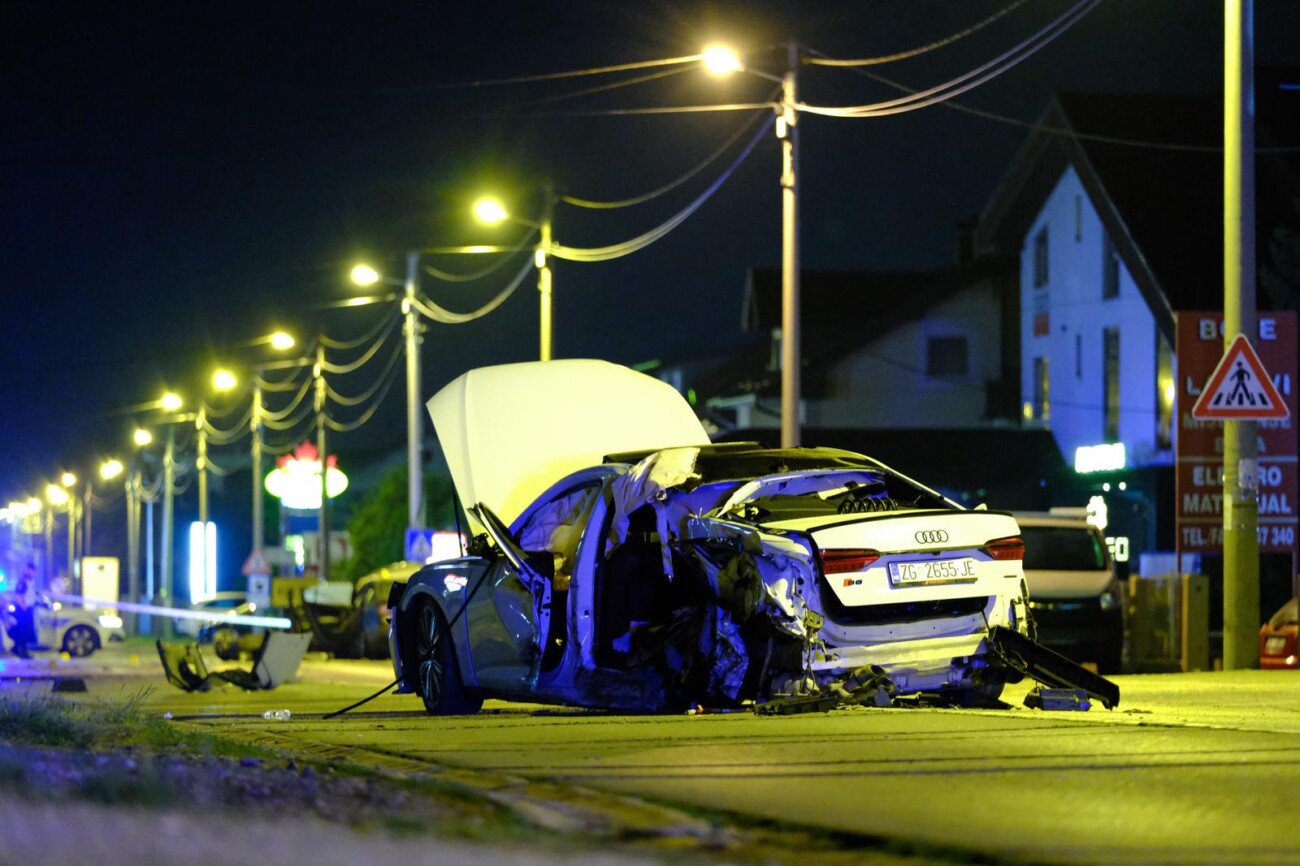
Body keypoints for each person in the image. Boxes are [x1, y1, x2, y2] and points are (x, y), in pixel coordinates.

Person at [9, 564, 37, 659]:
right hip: (23, 610)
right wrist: (23, 606)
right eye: (31, 570)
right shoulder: (23, 582)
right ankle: (23, 653)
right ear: (27, 570)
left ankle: (16, 648)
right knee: (23, 631)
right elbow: (18, 596)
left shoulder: (31, 581)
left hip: (28, 608)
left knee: (26, 631)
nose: (33, 573)